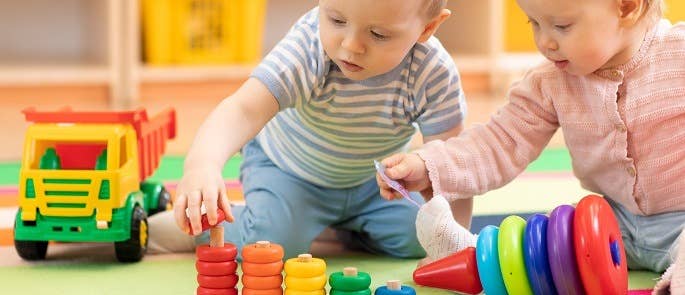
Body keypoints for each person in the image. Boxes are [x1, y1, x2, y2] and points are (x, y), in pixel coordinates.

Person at [377, 0, 685, 292]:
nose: (545, 42)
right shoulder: (550, 81)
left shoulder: (677, 55)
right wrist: (429, 166)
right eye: (534, 23)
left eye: (561, 26)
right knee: (540, 249)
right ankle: (469, 256)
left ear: (627, 6)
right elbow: (499, 142)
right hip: (611, 223)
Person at [147, 0, 473, 260]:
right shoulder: (308, 48)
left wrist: (454, 243)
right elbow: (242, 110)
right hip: (288, 170)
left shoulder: (432, 73)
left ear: (427, 28)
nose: (351, 44)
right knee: (272, 245)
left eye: (378, 35)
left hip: (371, 183)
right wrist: (201, 165)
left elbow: (450, 165)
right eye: (336, 19)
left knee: (423, 236)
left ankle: (334, 225)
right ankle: (200, 227)